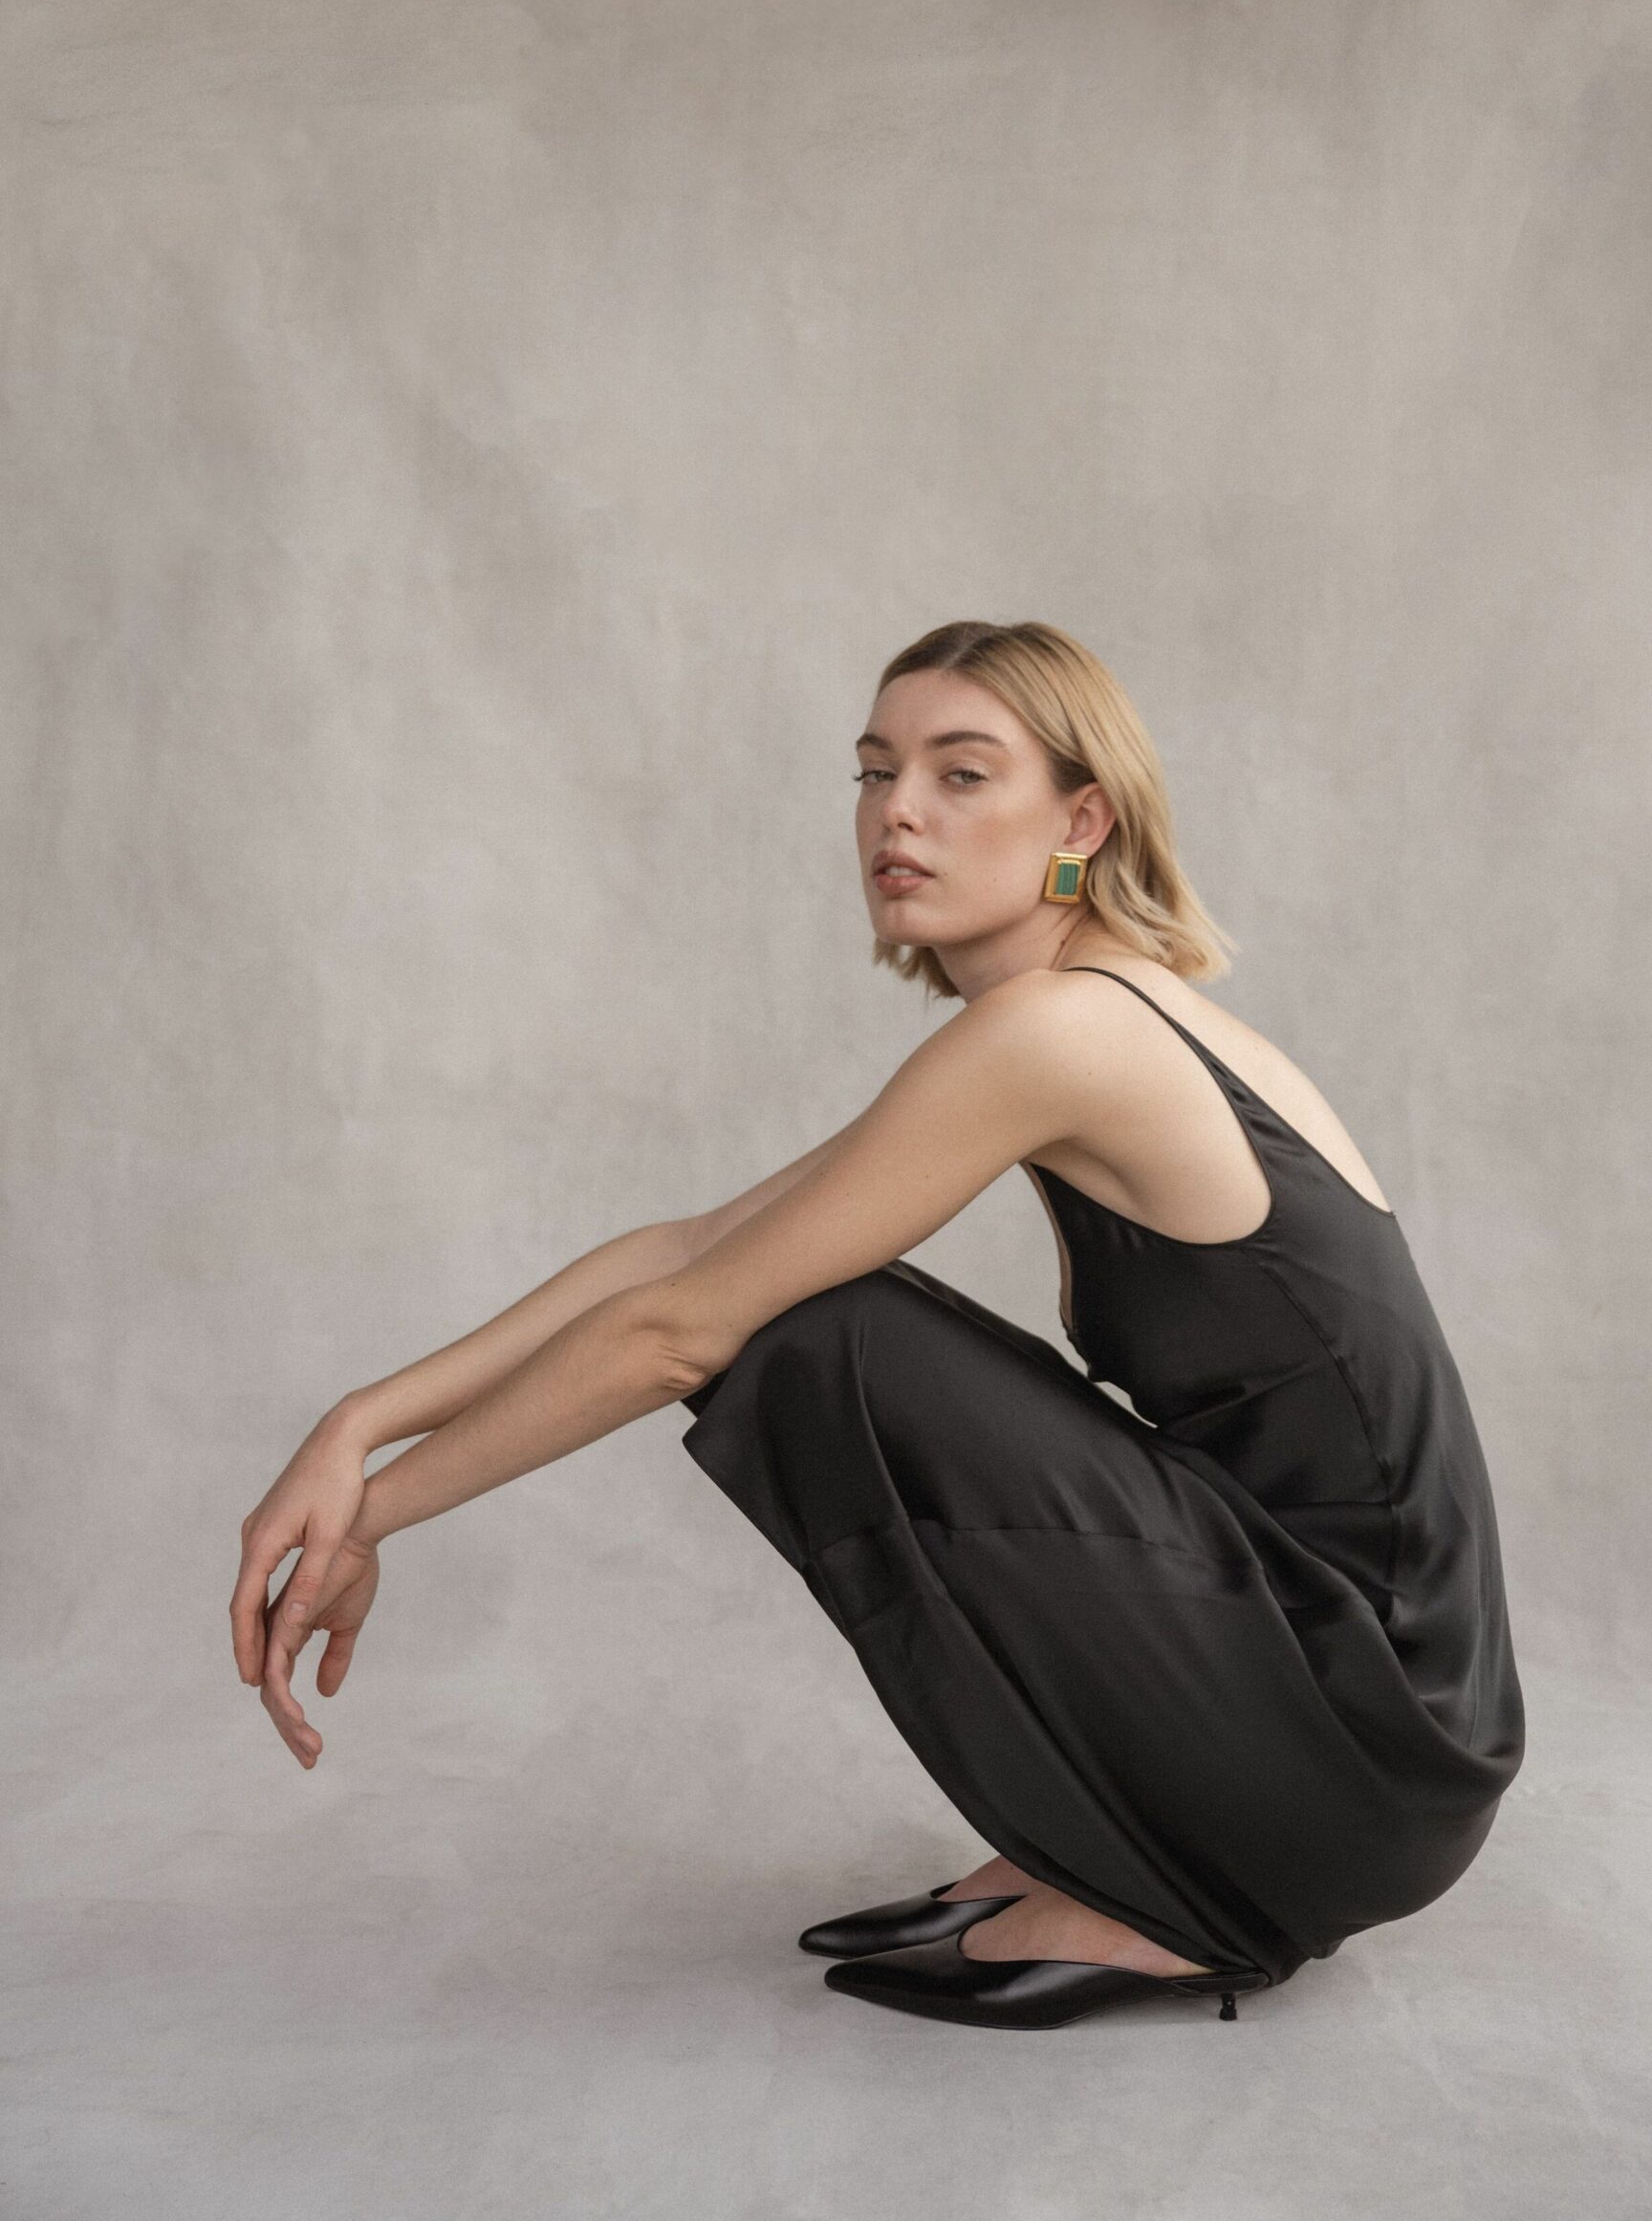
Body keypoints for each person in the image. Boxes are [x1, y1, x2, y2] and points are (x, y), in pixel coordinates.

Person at [230, 618, 1526, 2032]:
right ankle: (1107, 1834)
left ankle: (1173, 1901)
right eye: (874, 771)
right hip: (1376, 1711)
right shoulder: (1100, 1010)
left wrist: (371, 1519)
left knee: (820, 1330)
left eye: (962, 774)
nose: (896, 812)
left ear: (1081, 820)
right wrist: (358, 1424)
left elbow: (677, 1332)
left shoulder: (1061, 1033)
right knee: (791, 1292)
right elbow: (688, 1249)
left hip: (1360, 1750)